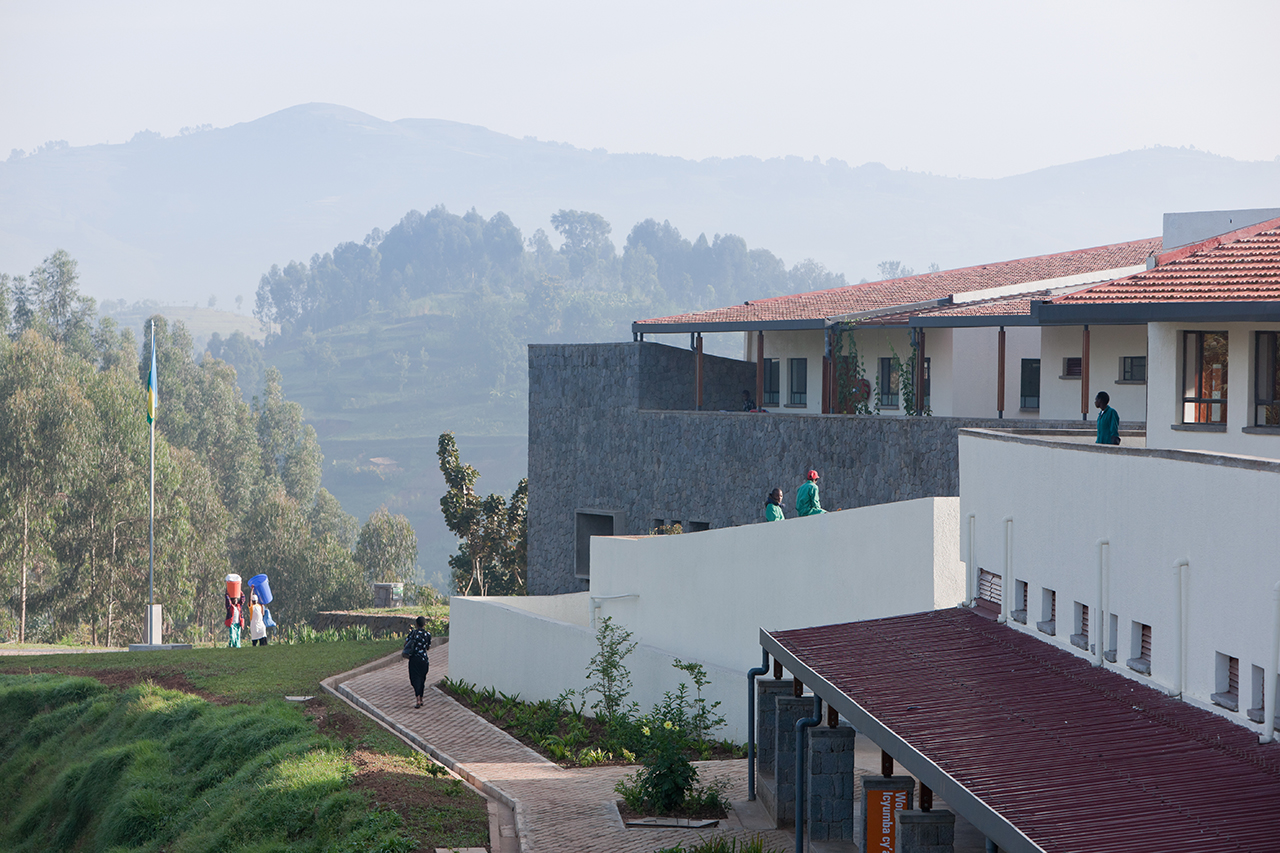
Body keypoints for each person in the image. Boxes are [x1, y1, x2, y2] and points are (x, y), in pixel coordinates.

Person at [403, 615, 433, 709]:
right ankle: (421, 698)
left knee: (415, 679)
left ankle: (418, 700)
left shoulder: (413, 633)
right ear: (424, 624)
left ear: (416, 624)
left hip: (414, 659)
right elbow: (428, 647)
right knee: (422, 679)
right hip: (424, 660)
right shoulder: (428, 635)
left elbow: (406, 644)